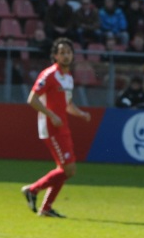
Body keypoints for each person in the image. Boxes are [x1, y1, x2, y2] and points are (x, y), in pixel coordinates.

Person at [21, 37, 91, 218]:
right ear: (55, 56)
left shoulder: (68, 77)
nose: (66, 56)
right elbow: (32, 99)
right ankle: (33, 190)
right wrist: (51, 115)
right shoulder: (49, 75)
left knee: (64, 170)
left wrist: (81, 113)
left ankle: (46, 208)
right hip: (50, 127)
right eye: (62, 53)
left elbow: (67, 104)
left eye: (68, 52)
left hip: (63, 127)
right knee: (69, 169)